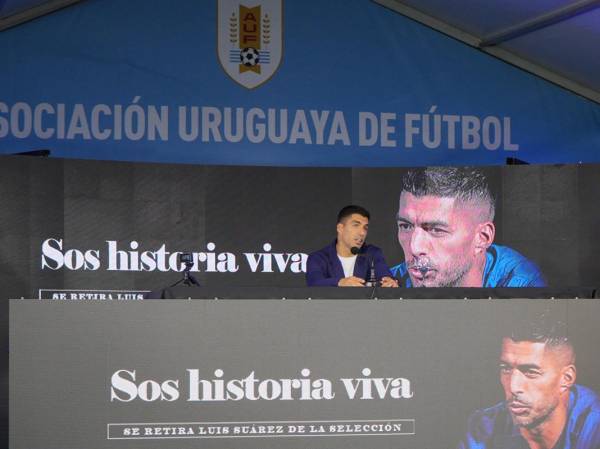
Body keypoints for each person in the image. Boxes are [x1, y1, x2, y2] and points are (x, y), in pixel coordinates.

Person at [458, 313, 600, 449]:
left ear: (566, 378)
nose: (513, 387)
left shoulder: (595, 425)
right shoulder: (484, 426)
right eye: (506, 369)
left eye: (531, 372)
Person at [390, 167, 546, 287]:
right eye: (405, 226)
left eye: (436, 230)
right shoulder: (391, 280)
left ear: (482, 238)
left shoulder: (522, 282)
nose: (414, 247)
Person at [306, 205, 398, 287]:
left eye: (365, 228)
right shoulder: (318, 258)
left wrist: (389, 282)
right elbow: (314, 282)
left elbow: (384, 275)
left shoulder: (372, 253)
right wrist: (341, 282)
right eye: (356, 225)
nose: (362, 233)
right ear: (340, 228)